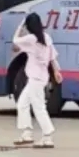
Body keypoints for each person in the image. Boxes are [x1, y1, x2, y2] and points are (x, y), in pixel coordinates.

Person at [11, 12, 63, 148]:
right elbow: (53, 57)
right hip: (40, 77)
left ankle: (48, 137)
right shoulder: (46, 37)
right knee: (22, 104)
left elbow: (15, 40)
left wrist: (20, 25)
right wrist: (56, 71)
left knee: (38, 107)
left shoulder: (31, 39)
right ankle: (27, 133)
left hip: (35, 79)